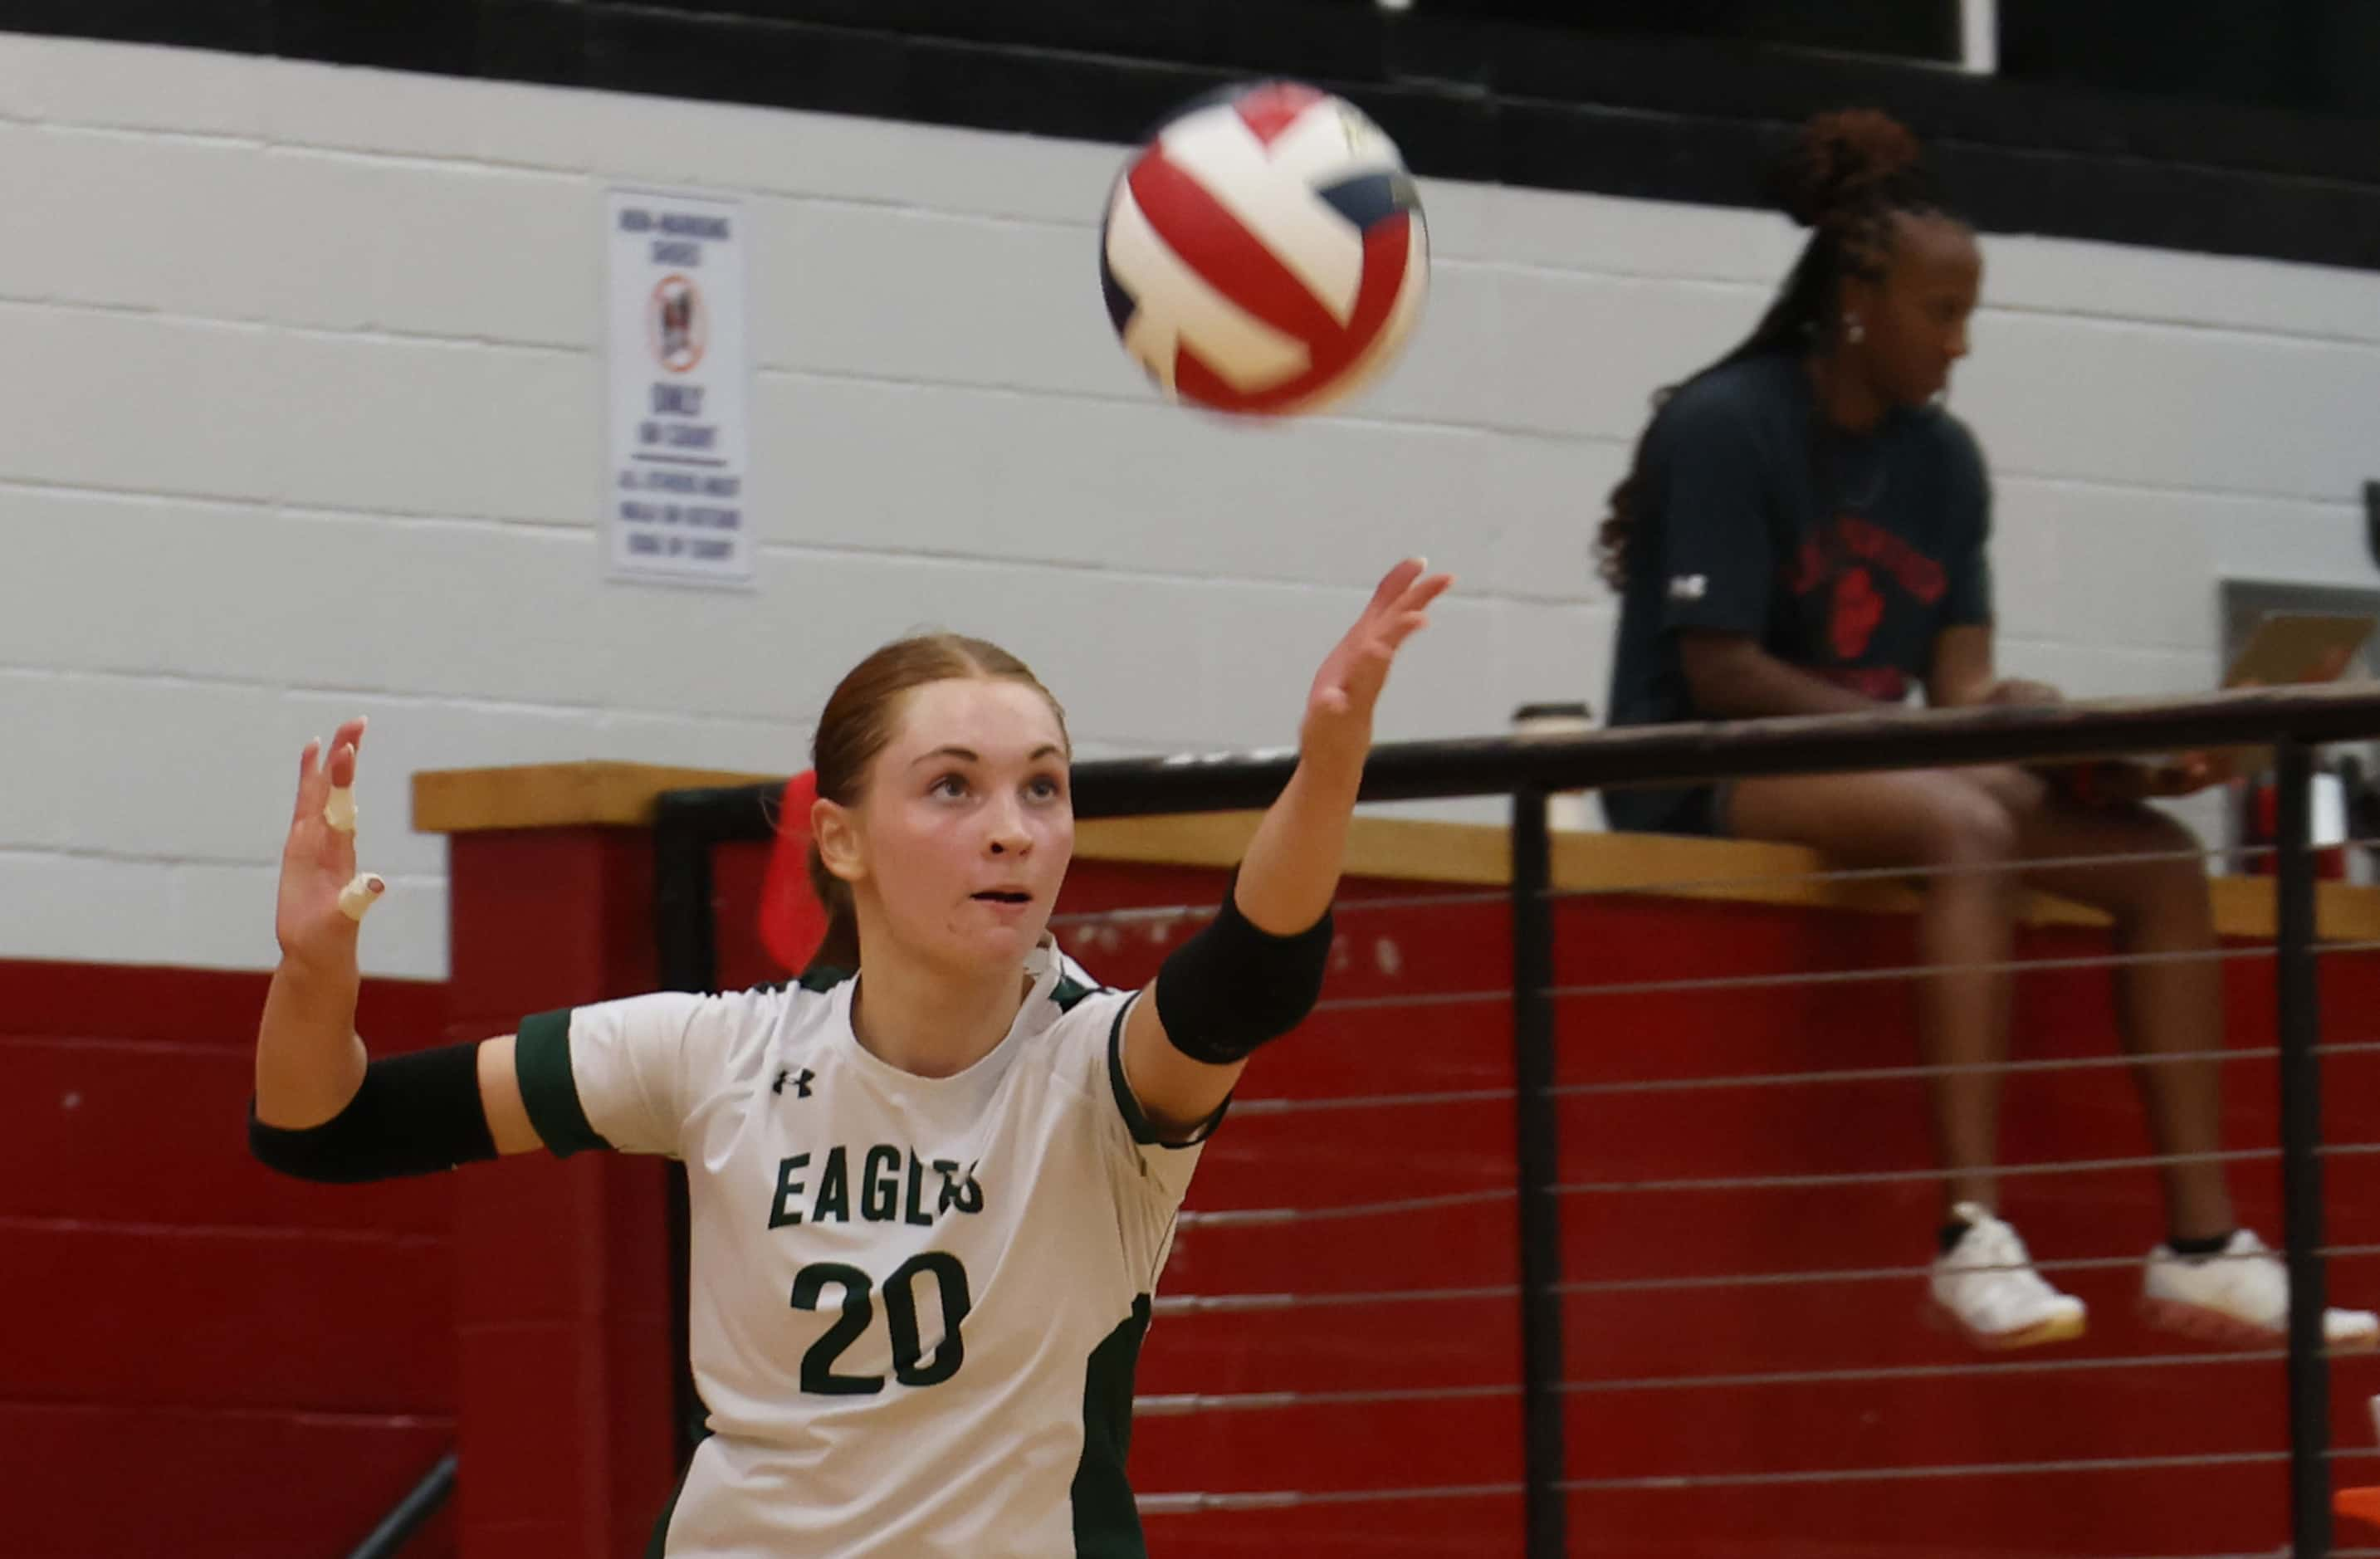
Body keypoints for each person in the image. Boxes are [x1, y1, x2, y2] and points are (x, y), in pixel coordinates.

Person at [250, 559, 1453, 1557]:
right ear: (841, 837)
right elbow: (327, 1127)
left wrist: (1330, 760)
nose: (1010, 828)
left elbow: (1248, 978)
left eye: (1043, 787)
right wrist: (312, 975)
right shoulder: (717, 1052)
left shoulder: (1098, 1073)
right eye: (952, 787)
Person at [1596, 108, 2374, 1353]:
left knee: (2161, 861)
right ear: (1859, 301)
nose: (1958, 346)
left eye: (1969, 316)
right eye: (1939, 313)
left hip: (1873, 759)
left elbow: (1957, 693)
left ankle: (2200, 1246)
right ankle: (1972, 1234)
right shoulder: (1725, 422)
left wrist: (2054, 735)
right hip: (1695, 766)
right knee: (1962, 818)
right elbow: (1723, 672)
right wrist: (1930, 743)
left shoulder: (1945, 462)